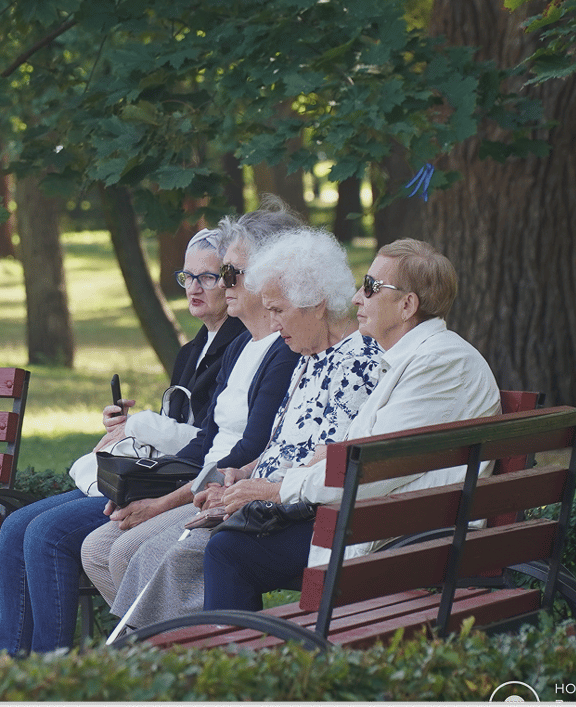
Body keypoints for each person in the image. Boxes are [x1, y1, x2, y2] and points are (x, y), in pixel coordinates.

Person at [92, 227, 382, 631]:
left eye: (278, 310)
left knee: (187, 554)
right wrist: (239, 475)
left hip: (302, 516)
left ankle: (192, 657)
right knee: (155, 550)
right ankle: (167, 653)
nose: (273, 323)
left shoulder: (355, 364)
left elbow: (325, 467)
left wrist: (250, 492)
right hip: (265, 504)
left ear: (317, 305)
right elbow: (282, 446)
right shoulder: (310, 354)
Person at [202, 238, 501, 613]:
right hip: (393, 524)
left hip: (407, 539)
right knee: (231, 544)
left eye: (372, 287)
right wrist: (326, 460)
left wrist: (276, 491)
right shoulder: (418, 359)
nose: (358, 298)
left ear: (407, 305)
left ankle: (231, 651)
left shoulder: (438, 365)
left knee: (230, 550)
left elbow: (370, 470)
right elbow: (368, 453)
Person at [0, 227, 246, 655]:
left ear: (230, 279)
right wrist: (127, 426)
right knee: (15, 525)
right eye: (187, 277)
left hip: (173, 483)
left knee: (45, 534)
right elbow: (179, 425)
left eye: (206, 277)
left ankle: (50, 668)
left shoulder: (241, 344)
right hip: (154, 471)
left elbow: (207, 440)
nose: (194, 288)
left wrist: (143, 428)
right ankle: (10, 664)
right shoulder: (192, 350)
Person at [78, 206, 306, 611]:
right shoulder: (240, 344)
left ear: (269, 275)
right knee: (96, 548)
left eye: (228, 273)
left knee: (127, 550)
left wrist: (163, 502)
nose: (223, 282)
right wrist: (149, 484)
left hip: (229, 492)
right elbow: (207, 440)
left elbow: (250, 449)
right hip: (203, 483)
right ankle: (166, 643)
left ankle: (177, 645)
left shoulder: (284, 350)